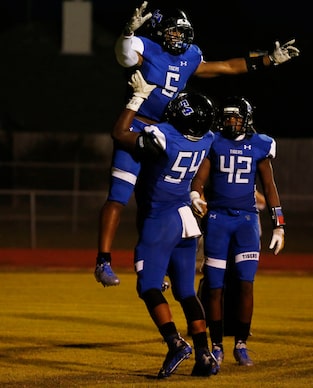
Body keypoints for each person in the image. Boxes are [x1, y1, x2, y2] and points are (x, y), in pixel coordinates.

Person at [94, 2, 299, 287]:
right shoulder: (147, 47)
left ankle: (152, 262)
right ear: (161, 32)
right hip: (136, 125)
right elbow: (125, 55)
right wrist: (127, 33)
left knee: (154, 201)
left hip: (165, 132)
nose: (180, 37)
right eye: (174, 32)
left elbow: (226, 67)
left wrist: (268, 60)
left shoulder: (191, 56)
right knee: (119, 195)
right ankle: (103, 260)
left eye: (183, 32)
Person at [112, 70, 220, 377]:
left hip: (161, 220)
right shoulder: (207, 139)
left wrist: (138, 97)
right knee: (186, 291)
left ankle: (175, 342)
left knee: (147, 286)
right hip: (186, 218)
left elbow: (120, 133)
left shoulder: (164, 137)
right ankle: (204, 354)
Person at [190, 96, 286, 368]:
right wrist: (195, 194)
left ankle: (241, 343)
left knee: (245, 284)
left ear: (247, 119)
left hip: (246, 221)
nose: (231, 122)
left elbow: (270, 187)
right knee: (215, 286)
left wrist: (279, 224)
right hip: (218, 219)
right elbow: (199, 177)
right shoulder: (214, 142)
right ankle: (217, 345)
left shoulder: (260, 144)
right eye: (228, 117)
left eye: (236, 117)